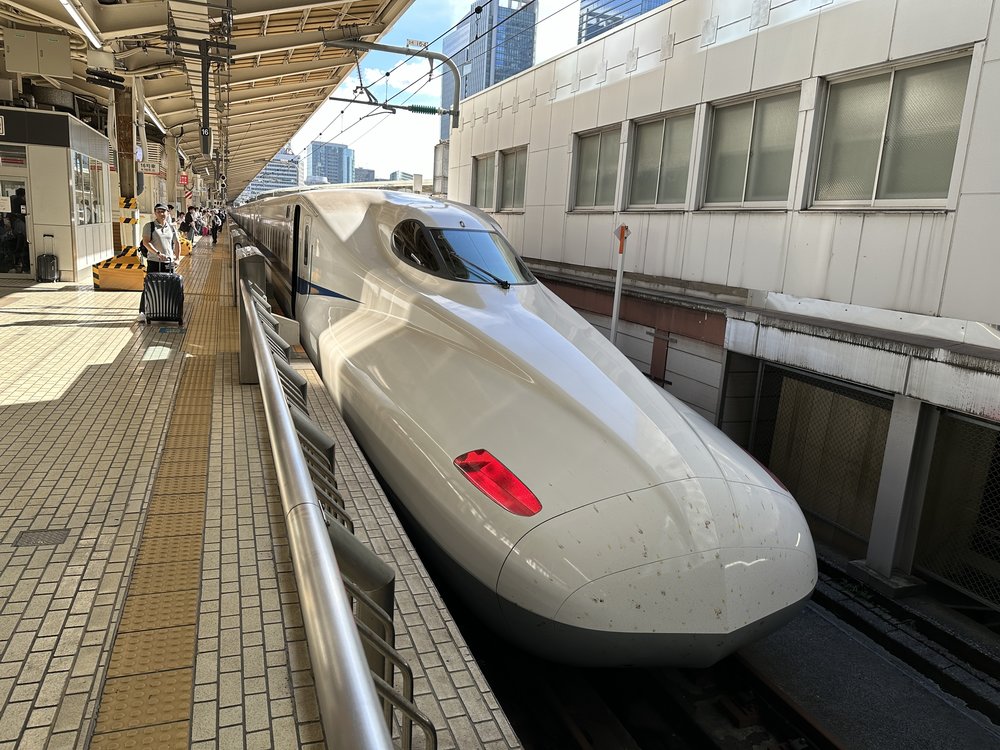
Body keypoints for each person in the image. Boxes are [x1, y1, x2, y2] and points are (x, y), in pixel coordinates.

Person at [138, 203, 179, 321]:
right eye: (158, 211)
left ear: (167, 213)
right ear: (155, 213)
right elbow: (146, 242)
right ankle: (142, 311)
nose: (161, 213)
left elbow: (177, 243)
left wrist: (177, 259)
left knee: (169, 286)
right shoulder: (149, 226)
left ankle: (168, 310)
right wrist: (157, 253)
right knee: (149, 286)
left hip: (169, 263)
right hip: (154, 261)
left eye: (163, 211)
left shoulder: (171, 228)